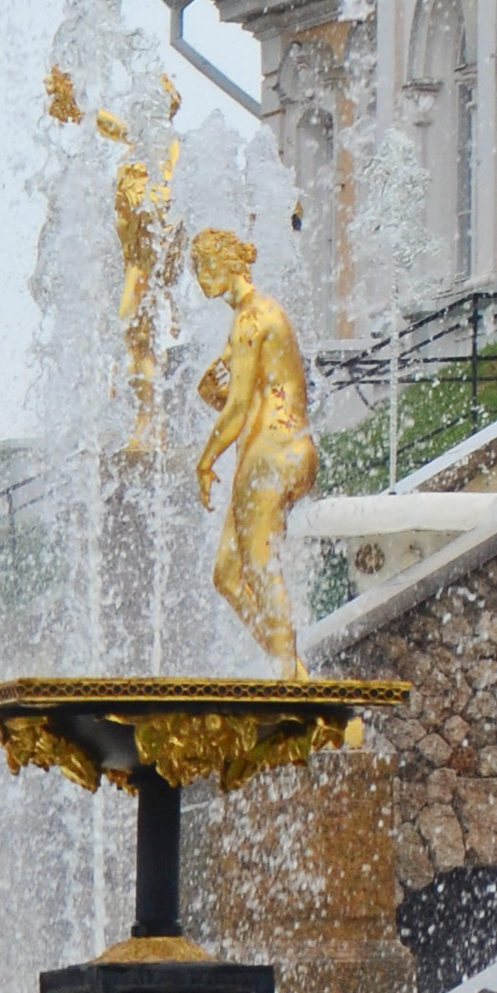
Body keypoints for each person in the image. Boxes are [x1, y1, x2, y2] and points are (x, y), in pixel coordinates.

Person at [191, 229, 320, 675]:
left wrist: (205, 461)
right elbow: (238, 403)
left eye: (206, 267)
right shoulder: (248, 317)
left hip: (275, 451)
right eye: (195, 270)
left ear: (230, 264)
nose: (200, 278)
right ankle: (293, 668)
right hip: (272, 448)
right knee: (228, 575)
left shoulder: (252, 319)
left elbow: (240, 407)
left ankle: (292, 684)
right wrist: (213, 394)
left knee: (260, 564)